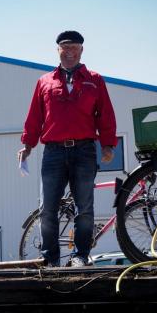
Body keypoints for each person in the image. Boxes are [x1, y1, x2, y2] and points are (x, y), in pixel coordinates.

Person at [18, 31, 117, 267]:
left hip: (84, 152)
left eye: (74, 48)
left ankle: (80, 256)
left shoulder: (95, 80)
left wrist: (108, 144)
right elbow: (34, 117)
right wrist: (27, 145)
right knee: (47, 209)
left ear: (81, 50)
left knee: (84, 208)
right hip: (53, 153)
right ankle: (49, 259)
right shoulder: (45, 81)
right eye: (65, 48)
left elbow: (106, 115)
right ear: (58, 51)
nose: (69, 52)